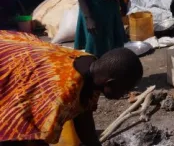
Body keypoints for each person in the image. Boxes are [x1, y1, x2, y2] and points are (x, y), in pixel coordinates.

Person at [0, 30, 143, 146]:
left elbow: (83, 116)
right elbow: (28, 136)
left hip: (20, 57)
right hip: (7, 59)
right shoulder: (58, 98)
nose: (125, 94)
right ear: (109, 83)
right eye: (124, 89)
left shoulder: (92, 67)